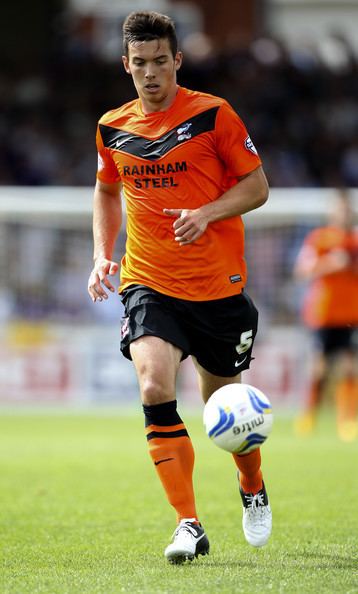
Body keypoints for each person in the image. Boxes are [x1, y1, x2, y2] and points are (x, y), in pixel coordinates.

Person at [88, 11, 271, 564]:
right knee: (152, 385)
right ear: (126, 65)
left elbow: (258, 186)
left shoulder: (214, 115)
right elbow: (105, 191)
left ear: (178, 61)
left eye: (160, 62)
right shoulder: (111, 127)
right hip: (149, 281)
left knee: (225, 409)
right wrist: (101, 254)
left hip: (217, 287)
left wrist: (207, 213)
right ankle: (188, 524)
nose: (150, 73)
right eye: (139, 63)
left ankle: (252, 485)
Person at [294, 191, 358, 441]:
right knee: (318, 369)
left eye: (346, 209)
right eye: (339, 209)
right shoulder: (319, 238)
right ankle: (309, 415)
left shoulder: (354, 241)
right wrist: (331, 264)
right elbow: (303, 271)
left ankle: (348, 420)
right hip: (323, 314)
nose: (343, 213)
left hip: (351, 314)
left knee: (348, 367)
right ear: (332, 213)